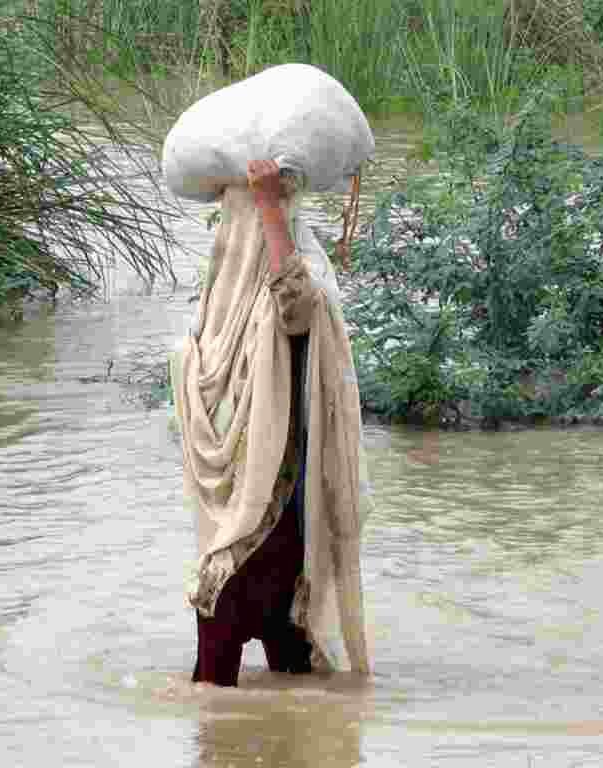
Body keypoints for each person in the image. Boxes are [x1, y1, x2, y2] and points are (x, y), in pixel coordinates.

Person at [171, 160, 373, 686]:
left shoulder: (260, 308)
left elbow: (295, 306)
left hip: (270, 521)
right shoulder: (218, 317)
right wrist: (266, 207)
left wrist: (267, 209)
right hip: (265, 525)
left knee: (218, 689)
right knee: (286, 688)